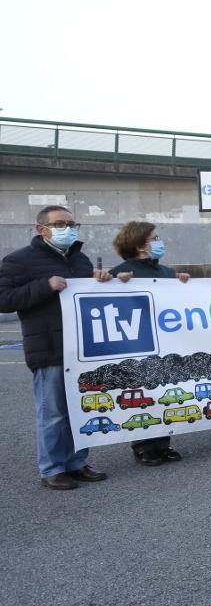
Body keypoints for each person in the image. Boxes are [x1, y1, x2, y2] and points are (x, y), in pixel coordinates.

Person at [0, 206, 111, 490]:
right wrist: (44, 286)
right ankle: (52, 467)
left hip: (83, 349)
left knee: (80, 410)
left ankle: (77, 462)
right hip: (48, 348)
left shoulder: (80, 258)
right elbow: (4, 300)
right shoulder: (18, 261)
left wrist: (102, 281)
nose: (67, 228)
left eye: (71, 223)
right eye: (60, 223)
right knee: (54, 413)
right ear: (42, 229)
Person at [108, 221, 191, 466]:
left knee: (163, 391)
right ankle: (144, 446)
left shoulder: (165, 272)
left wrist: (183, 283)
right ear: (139, 244)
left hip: (165, 342)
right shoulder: (121, 272)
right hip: (137, 342)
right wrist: (111, 282)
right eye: (154, 238)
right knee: (142, 395)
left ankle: (163, 443)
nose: (158, 242)